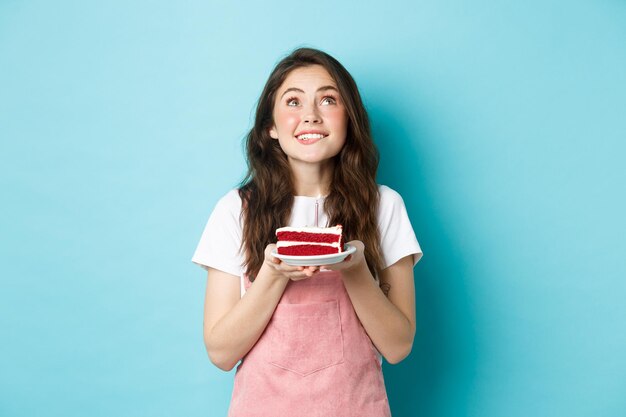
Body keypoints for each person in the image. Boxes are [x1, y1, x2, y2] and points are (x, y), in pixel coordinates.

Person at [192, 47, 423, 417]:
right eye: (293, 102)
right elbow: (220, 352)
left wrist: (355, 268)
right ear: (270, 126)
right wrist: (272, 273)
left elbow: (398, 347)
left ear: (349, 119)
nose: (311, 116)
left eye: (328, 100)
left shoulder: (384, 206)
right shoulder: (235, 210)